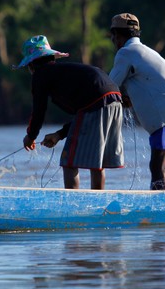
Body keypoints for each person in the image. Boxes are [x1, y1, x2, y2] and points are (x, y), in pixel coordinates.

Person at [16, 35, 124, 190]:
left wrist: (31, 136)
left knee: (69, 161)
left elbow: (39, 110)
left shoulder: (41, 75)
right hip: (115, 99)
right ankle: (99, 203)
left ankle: (73, 205)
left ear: (31, 65)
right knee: (97, 162)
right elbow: (83, 116)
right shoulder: (64, 73)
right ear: (52, 57)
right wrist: (59, 135)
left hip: (97, 101)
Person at [108, 13, 165, 190]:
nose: (113, 41)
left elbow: (108, 86)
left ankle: (159, 210)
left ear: (118, 35)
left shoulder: (126, 52)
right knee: (164, 166)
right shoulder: (145, 51)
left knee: (157, 166)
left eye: (113, 36)